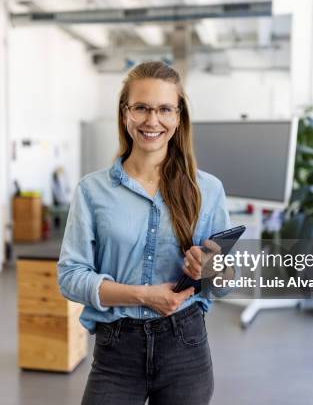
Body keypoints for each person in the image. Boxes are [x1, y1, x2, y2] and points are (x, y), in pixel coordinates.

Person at [57, 61, 232, 405]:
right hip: (115, 351)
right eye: (141, 108)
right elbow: (70, 276)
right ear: (125, 114)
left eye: (165, 109)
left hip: (186, 347)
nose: (153, 121)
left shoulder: (207, 190)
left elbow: (225, 283)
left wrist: (209, 269)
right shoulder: (92, 191)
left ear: (179, 116)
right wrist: (141, 295)